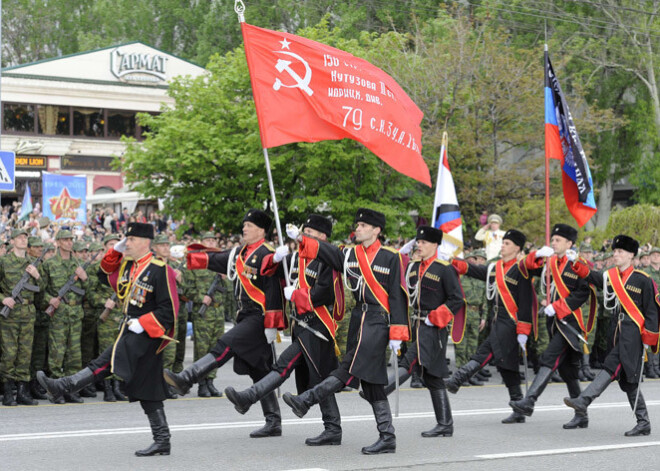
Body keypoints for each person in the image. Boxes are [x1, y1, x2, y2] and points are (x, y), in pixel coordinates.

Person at [38, 222, 179, 456]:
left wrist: (142, 323)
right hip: (130, 331)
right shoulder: (129, 267)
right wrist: (115, 250)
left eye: (131, 240)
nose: (128, 244)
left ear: (145, 242)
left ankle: (63, 386)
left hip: (147, 334)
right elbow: (104, 275)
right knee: (149, 388)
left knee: (106, 362)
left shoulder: (159, 269)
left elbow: (169, 310)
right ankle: (162, 440)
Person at [281, 208, 409, 455]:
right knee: (372, 384)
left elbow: (397, 296)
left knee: (348, 366)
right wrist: (301, 239)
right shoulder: (350, 254)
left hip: (377, 321)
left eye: (362, 225)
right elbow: (326, 251)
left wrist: (397, 332)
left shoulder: (390, 257)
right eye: (357, 224)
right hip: (358, 319)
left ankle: (306, 400)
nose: (357, 228)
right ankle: (387, 436)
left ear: (376, 230)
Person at [164, 209, 286, 439]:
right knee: (260, 369)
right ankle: (273, 421)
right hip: (245, 315)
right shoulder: (240, 253)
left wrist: (273, 323)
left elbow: (272, 291)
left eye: (248, 225)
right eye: (244, 225)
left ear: (261, 230)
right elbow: (217, 259)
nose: (244, 229)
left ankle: (187, 378)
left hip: (259, 317)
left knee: (225, 345)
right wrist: (190, 257)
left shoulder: (269, 254)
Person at [225, 214, 345, 446]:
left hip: (318, 326)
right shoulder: (300, 257)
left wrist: (297, 295)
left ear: (322, 237)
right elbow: (273, 274)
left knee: (285, 367)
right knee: (314, 377)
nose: (306, 236)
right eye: (305, 232)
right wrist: (277, 257)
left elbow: (325, 293)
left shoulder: (327, 259)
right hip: (301, 326)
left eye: (311, 233)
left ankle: (249, 397)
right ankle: (333, 428)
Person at [564, 235, 660, 437]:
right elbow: (593, 276)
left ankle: (584, 400)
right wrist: (576, 262)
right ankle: (644, 422)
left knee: (612, 364)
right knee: (629, 380)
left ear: (631, 255)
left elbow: (652, 311)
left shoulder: (643, 279)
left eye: (620, 252)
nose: (616, 255)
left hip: (633, 333)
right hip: (616, 331)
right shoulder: (611, 276)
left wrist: (649, 337)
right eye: (615, 251)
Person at [509, 224, 595, 429]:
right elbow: (522, 270)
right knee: (568, 372)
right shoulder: (549, 262)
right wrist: (536, 254)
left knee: (549, 357)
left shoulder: (577, 264)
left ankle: (529, 401)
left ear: (569, 243)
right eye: (553, 239)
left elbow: (583, 293)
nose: (553, 243)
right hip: (554, 322)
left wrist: (557, 306)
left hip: (570, 322)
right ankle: (581, 415)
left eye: (558, 240)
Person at [382, 226, 465, 437]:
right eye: (418, 242)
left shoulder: (444, 268)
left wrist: (437, 316)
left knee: (409, 361)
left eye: (424, 242)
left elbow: (457, 299)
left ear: (435, 245)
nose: (420, 245)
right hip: (415, 324)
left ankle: (381, 392)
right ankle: (445, 424)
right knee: (433, 377)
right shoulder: (412, 266)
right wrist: (401, 252)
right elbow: (395, 273)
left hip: (433, 327)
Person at [446, 229, 534, 424]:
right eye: (503, 242)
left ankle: (458, 379)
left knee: (487, 349)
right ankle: (518, 407)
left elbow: (526, 301)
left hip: (512, 321)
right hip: (498, 319)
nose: (503, 245)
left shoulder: (522, 269)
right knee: (507, 366)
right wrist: (453, 261)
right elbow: (474, 270)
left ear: (517, 248)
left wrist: (524, 328)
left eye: (508, 243)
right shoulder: (495, 268)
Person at [40, 229, 89, 404]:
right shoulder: (50, 264)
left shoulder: (77, 263)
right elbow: (41, 290)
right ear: (58, 242)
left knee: (74, 354)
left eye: (71, 240)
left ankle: (71, 389)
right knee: (57, 353)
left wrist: (85, 278)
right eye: (66, 240)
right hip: (59, 314)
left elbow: (88, 291)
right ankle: (56, 389)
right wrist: (50, 299)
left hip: (75, 314)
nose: (69, 242)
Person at [0, 228, 44, 406]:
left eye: (25, 237)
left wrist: (37, 276)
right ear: (12, 241)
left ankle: (23, 391)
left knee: (25, 354)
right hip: (9, 314)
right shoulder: (4, 262)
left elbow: (42, 290)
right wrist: (4, 299)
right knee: (9, 353)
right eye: (19, 237)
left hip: (27, 313)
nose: (23, 240)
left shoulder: (32, 263)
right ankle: (8, 391)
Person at [187, 231, 225, 397]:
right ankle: (202, 383)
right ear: (202, 242)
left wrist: (226, 278)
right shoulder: (196, 260)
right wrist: (199, 297)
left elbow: (229, 291)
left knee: (216, 349)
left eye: (213, 240)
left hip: (218, 311)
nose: (211, 242)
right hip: (203, 312)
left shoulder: (221, 262)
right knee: (202, 350)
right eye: (207, 240)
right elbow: (186, 288)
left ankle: (211, 381)